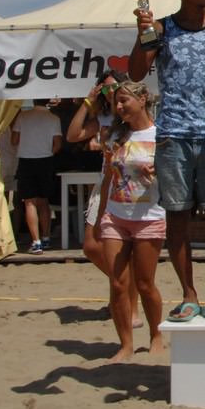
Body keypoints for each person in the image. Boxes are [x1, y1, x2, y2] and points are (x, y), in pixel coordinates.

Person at [130, 0, 205, 323]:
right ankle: (189, 294)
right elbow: (136, 71)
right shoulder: (161, 29)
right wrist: (142, 33)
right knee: (177, 217)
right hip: (173, 135)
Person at [92, 81, 165, 362]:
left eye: (124, 101)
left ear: (143, 99)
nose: (119, 107)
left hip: (149, 216)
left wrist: (158, 170)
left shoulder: (161, 135)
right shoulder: (114, 136)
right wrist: (101, 218)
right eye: (116, 103)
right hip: (116, 214)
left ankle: (156, 336)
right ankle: (125, 344)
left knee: (145, 284)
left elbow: (174, 177)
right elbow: (109, 177)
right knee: (118, 284)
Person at [67, 70, 140, 329]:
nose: (111, 92)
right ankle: (124, 285)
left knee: (121, 249)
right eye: (106, 88)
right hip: (104, 183)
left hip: (126, 185)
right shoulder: (103, 117)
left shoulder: (129, 113)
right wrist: (87, 102)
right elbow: (73, 135)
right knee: (91, 246)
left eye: (115, 87)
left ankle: (130, 306)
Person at [12, 99, 62, 254]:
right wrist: (47, 151)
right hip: (45, 160)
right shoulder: (53, 118)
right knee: (43, 201)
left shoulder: (23, 116)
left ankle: (36, 241)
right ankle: (46, 237)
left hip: (26, 160)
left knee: (29, 202)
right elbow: (58, 144)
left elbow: (13, 140)